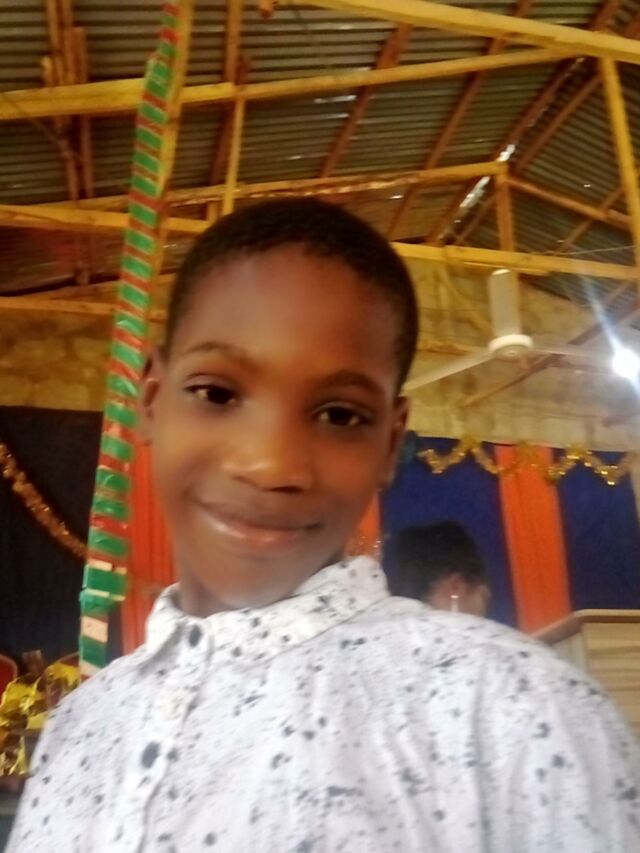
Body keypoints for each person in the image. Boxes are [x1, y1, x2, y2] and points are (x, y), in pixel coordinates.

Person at [8, 198, 640, 853]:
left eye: (340, 415)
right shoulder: (80, 726)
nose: (270, 465)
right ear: (150, 399)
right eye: (217, 393)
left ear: (390, 442)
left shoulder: (515, 710)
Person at [390, 522, 491, 617]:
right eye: (484, 597)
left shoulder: (389, 624)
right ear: (456, 586)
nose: (484, 613)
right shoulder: (487, 630)